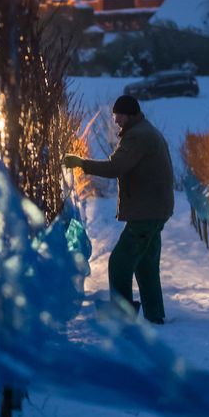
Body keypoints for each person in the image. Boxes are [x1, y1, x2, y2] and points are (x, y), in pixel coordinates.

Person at [62, 95, 174, 325]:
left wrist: (81, 163)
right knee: (146, 264)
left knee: (120, 262)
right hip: (156, 209)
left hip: (146, 212)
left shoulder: (138, 136)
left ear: (130, 114)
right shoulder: (146, 131)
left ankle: (122, 314)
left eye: (118, 115)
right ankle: (155, 314)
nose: (116, 121)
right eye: (114, 116)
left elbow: (115, 167)